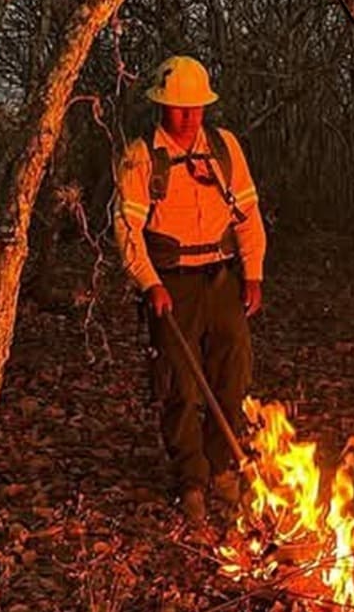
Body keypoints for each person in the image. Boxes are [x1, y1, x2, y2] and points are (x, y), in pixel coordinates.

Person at [111, 55, 266, 522]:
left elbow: (248, 215)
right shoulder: (139, 156)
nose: (188, 115)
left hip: (222, 277)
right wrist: (149, 284)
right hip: (171, 283)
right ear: (160, 106)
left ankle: (222, 469)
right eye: (179, 107)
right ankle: (190, 478)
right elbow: (126, 229)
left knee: (232, 372)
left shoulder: (224, 148)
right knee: (180, 384)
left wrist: (252, 271)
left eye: (195, 107)